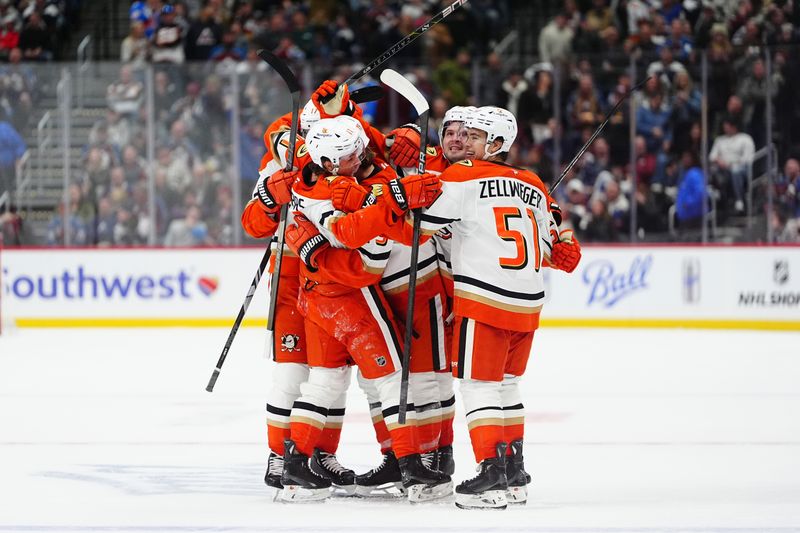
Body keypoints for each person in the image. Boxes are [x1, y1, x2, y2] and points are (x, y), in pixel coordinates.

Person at [412, 106, 581, 509]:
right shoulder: (535, 183)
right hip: (527, 303)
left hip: (484, 299)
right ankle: (513, 471)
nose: (465, 141)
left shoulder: (464, 174)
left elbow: (423, 222)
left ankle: (491, 474)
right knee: (506, 385)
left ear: (498, 144)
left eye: (475, 136)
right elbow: (554, 245)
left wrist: (413, 192)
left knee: (478, 386)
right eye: (465, 134)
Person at [279, 114, 450, 503]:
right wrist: (394, 201)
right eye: (346, 156)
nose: (357, 157)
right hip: (350, 297)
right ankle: (410, 465)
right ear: (324, 161)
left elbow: (370, 168)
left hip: (319, 295)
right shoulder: (329, 194)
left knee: (326, 381)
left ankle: (294, 464)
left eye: (357, 148)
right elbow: (354, 235)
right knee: (392, 375)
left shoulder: (314, 175)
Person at [239, 106, 357, 496]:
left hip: (333, 277)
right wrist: (271, 201)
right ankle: (279, 454)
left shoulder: (347, 163)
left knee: (333, 375)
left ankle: (321, 454)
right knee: (292, 373)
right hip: (291, 275)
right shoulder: (281, 163)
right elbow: (253, 223)